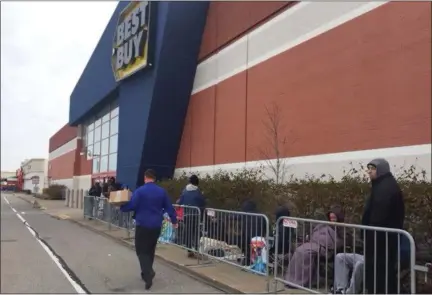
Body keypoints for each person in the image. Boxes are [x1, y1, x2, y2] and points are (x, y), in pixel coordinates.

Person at [118, 169, 177, 290]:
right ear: (154, 178)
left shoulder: (140, 191)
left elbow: (133, 205)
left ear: (145, 178)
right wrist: (174, 221)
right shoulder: (162, 192)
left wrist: (122, 207)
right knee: (150, 249)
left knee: (141, 250)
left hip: (143, 224)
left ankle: (148, 273)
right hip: (156, 225)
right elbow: (169, 208)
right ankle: (146, 273)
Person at [362, 158, 405, 294]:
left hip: (381, 240)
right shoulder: (380, 185)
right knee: (381, 271)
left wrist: (369, 233)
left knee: (381, 272)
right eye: (368, 168)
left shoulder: (385, 188)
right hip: (380, 239)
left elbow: (378, 215)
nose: (369, 171)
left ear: (380, 170)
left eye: (372, 168)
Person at [285, 206, 345, 288]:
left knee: (305, 253)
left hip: (325, 249)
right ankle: (291, 279)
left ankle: (300, 281)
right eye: (331, 218)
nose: (332, 220)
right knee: (299, 250)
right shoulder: (325, 225)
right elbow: (316, 234)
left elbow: (338, 242)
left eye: (334, 218)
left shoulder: (342, 228)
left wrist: (325, 242)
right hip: (314, 244)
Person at [177, 175, 206, 258]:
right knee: (196, 233)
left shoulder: (184, 191)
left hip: (186, 215)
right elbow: (202, 203)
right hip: (196, 215)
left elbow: (180, 201)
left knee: (188, 232)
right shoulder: (198, 191)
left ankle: (189, 250)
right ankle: (197, 250)